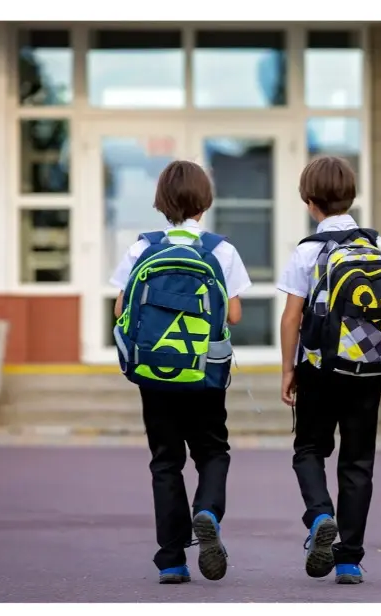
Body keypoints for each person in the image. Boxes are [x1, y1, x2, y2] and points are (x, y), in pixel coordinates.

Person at [109, 160, 252, 584]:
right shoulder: (220, 249)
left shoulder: (142, 248)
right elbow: (236, 313)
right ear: (204, 203)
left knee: (165, 461)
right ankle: (206, 510)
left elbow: (121, 308)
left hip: (154, 372)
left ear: (161, 203)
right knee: (212, 451)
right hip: (203, 371)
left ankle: (172, 558)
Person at [277, 156, 381, 585]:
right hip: (366, 367)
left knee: (309, 449)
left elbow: (292, 316)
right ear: (352, 197)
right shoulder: (380, 247)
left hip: (317, 367)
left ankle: (319, 517)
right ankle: (349, 559)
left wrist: (287, 370)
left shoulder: (308, 251)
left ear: (310, 202)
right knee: (358, 461)